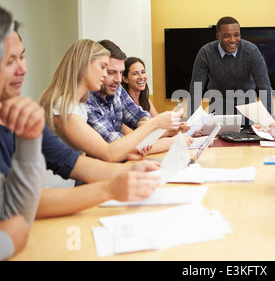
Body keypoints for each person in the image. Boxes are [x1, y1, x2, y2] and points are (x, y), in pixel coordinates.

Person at [0, 23, 162, 218]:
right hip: (48, 206)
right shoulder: (63, 107)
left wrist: (129, 171)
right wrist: (111, 187)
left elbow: (70, 161)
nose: (23, 69)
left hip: (57, 205)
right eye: (104, 68)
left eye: (22, 57)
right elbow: (19, 201)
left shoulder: (29, 117)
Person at [38, 39, 181, 163]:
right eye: (104, 68)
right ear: (84, 66)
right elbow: (108, 153)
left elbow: (82, 162)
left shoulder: (78, 105)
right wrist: (156, 126)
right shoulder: (66, 106)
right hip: (57, 191)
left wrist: (131, 155)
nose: (110, 76)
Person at [86, 40, 192, 155]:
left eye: (121, 73)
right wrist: (163, 133)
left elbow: (137, 115)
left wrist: (164, 129)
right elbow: (115, 147)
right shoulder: (87, 101)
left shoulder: (117, 89)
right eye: (111, 72)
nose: (118, 80)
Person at [0, 7, 45, 260]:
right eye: (9, 61)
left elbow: (13, 217)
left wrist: (29, 140)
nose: (23, 70)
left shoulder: (19, 112)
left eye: (22, 57)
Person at [189, 16, 273, 124]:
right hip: (218, 106)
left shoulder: (251, 51)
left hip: (247, 106)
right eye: (226, 36)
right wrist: (193, 124)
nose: (233, 40)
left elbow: (265, 88)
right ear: (217, 36)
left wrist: (268, 124)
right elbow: (196, 90)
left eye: (236, 35)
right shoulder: (206, 53)